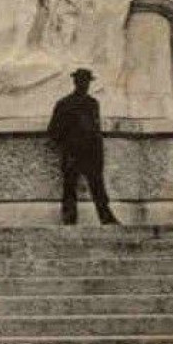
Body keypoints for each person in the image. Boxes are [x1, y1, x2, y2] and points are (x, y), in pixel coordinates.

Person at [47, 68, 119, 226]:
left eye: (86, 82)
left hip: (91, 153)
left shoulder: (93, 104)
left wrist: (99, 154)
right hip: (73, 152)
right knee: (70, 188)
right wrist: (67, 143)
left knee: (98, 187)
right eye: (81, 81)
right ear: (75, 82)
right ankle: (69, 220)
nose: (84, 85)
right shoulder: (64, 104)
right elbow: (53, 131)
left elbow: (96, 130)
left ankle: (106, 217)